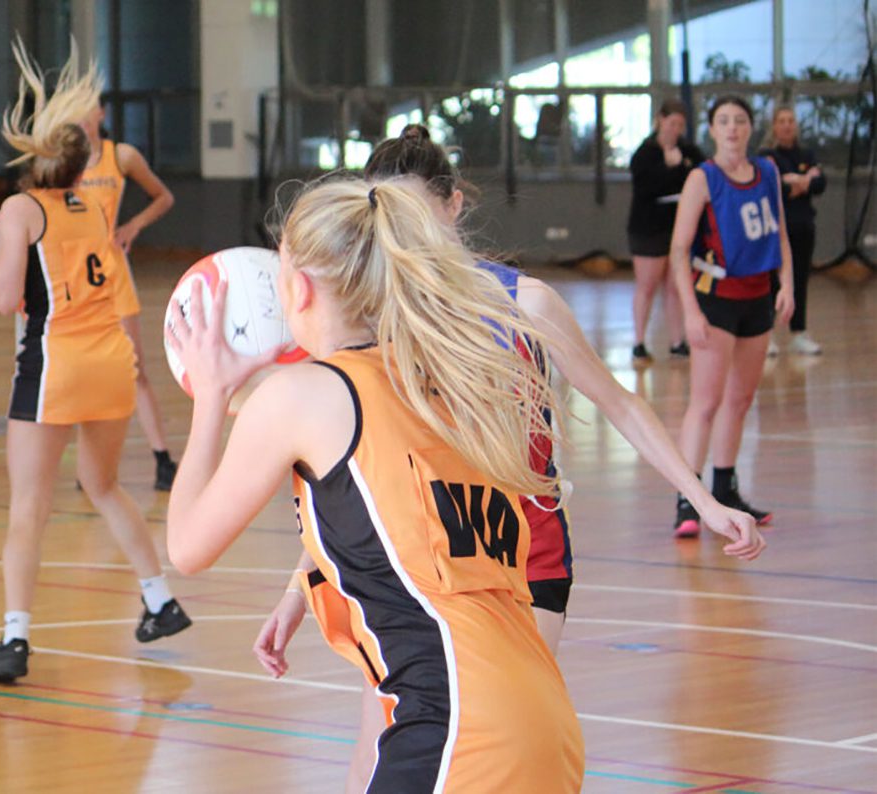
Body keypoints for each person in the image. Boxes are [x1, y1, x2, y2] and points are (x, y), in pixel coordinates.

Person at [252, 126, 764, 793]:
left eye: (415, 210)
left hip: (523, 565)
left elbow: (621, 405)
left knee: (502, 757)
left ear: (454, 207)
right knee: (371, 758)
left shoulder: (523, 304)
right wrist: (301, 588)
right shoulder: (373, 322)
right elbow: (360, 485)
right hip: (423, 574)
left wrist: (703, 498)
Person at [168, 176, 591, 791]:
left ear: (297, 288)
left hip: (455, 727)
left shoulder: (302, 397)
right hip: (541, 720)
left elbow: (187, 547)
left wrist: (210, 396)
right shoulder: (441, 376)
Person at [0, 41, 192, 685]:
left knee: (28, 507)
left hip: (58, 364)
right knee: (104, 486)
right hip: (112, 363)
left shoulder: (20, 210)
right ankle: (159, 598)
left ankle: (15, 638)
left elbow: (3, 297)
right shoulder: (92, 208)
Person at [668, 96, 794, 535]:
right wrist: (689, 312)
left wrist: (789, 286)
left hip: (758, 297)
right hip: (716, 300)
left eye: (740, 120)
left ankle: (726, 488)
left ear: (749, 128)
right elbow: (679, 250)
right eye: (724, 121)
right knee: (706, 402)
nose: (733, 128)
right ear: (712, 130)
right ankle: (688, 499)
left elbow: (780, 235)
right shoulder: (703, 179)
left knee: (739, 401)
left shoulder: (768, 172)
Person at [75, 89, 179, 490]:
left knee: (134, 368)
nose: (82, 116)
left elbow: (163, 197)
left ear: (100, 111)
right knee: (86, 372)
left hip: (112, 269)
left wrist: (133, 225)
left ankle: (163, 460)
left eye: (88, 106)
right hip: (75, 274)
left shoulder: (121, 156)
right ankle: (92, 466)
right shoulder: (60, 159)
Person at [627, 98, 706, 362]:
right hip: (648, 229)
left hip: (676, 227)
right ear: (661, 120)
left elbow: (700, 174)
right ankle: (639, 341)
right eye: (672, 123)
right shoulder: (645, 153)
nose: (676, 129)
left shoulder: (688, 150)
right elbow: (648, 186)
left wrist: (680, 169)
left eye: (681, 125)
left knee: (675, 286)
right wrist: (672, 169)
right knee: (647, 286)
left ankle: (677, 342)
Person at [760, 106, 825, 356]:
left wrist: (795, 180)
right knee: (772, 282)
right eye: (782, 121)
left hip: (803, 226)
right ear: (774, 126)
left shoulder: (806, 153)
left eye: (791, 121)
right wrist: (803, 179)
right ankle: (767, 336)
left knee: (799, 280)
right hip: (775, 229)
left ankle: (799, 332)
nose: (787, 125)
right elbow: (774, 185)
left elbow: (820, 184)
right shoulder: (768, 155)